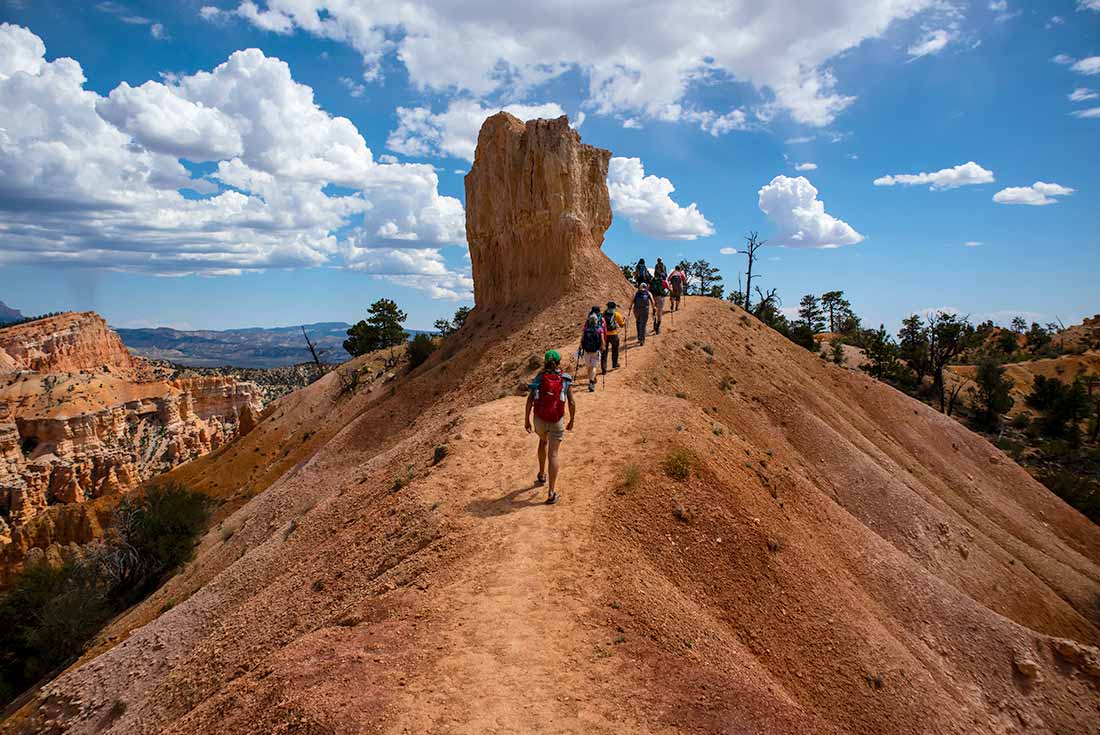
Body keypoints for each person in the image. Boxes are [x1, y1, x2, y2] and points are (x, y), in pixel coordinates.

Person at [525, 350, 575, 504]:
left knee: (542, 442)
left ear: (544, 362)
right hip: (556, 420)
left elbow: (529, 400)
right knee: (553, 454)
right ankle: (551, 493)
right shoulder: (565, 379)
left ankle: (541, 474)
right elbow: (571, 402)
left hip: (539, 420)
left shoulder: (539, 378)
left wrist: (526, 420)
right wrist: (572, 420)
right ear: (559, 362)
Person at [578, 312, 606, 391]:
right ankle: (591, 382)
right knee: (594, 367)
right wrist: (603, 347)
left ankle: (592, 379)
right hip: (595, 351)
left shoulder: (586, 329)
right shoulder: (599, 329)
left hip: (587, 351)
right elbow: (602, 340)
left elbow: (582, 339)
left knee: (588, 367)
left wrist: (580, 347)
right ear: (597, 321)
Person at [628, 282, 655, 346]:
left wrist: (629, 309)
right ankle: (642, 340)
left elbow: (632, 301)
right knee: (643, 324)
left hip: (636, 310)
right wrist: (654, 309)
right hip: (644, 310)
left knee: (638, 322)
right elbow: (653, 302)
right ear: (646, 287)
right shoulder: (648, 292)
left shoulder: (637, 293)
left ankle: (639, 337)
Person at [601, 301, 625, 373]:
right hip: (613, 334)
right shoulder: (616, 314)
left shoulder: (602, 313)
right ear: (614, 307)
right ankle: (614, 364)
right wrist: (624, 321)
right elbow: (621, 325)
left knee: (604, 351)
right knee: (615, 349)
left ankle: (604, 369)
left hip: (604, 335)